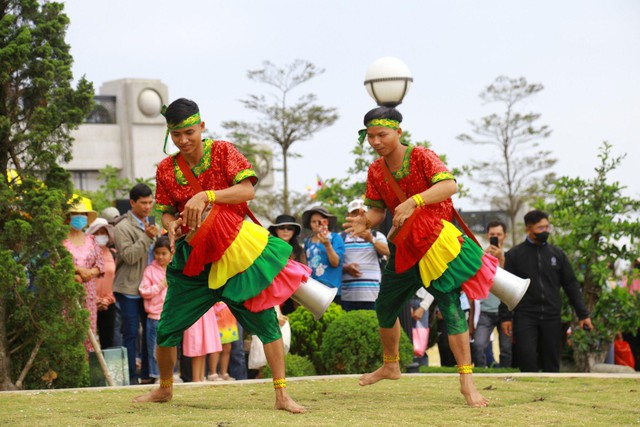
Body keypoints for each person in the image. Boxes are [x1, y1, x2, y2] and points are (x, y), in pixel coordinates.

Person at [133, 98, 308, 413]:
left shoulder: (224, 151)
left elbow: (247, 191)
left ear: (201, 126)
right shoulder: (166, 169)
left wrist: (207, 195)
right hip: (192, 262)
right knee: (168, 328)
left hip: (236, 257)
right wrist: (173, 227)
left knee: (266, 324)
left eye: (189, 132)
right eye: (176, 135)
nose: (184, 140)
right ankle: (164, 389)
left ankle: (282, 395)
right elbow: (166, 214)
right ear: (169, 134)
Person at [343, 106, 498, 407]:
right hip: (403, 249)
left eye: (382, 135)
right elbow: (377, 209)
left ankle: (467, 384)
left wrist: (415, 201)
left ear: (398, 132)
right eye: (371, 136)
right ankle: (391, 364)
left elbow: (449, 185)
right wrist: (367, 221)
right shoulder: (376, 170)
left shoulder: (422, 156)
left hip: (436, 247)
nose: (376, 141)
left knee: (451, 310)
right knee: (385, 307)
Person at [500, 209, 593, 372]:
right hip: (525, 315)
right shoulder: (515, 255)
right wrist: (505, 317)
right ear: (528, 229)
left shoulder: (557, 254)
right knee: (527, 359)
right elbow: (506, 288)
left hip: (551, 315)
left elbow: (571, 285)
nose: (545, 231)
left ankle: (552, 393)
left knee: (551, 361)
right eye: (540, 228)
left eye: (547, 227)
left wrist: (583, 315)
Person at [113, 183, 159, 385]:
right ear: (132, 203)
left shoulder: (152, 223)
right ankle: (131, 377)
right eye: (143, 203)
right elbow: (130, 256)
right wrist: (147, 237)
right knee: (131, 333)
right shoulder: (121, 227)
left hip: (150, 289)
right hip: (129, 289)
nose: (148, 206)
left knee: (150, 332)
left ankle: (148, 375)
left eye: (150, 202)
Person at [62, 202, 104, 354]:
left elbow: (100, 264)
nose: (80, 218)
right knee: (67, 333)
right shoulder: (61, 241)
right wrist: (77, 271)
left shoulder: (91, 240)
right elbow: (57, 263)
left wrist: (90, 273)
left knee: (89, 334)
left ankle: (87, 372)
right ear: (68, 218)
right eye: (75, 214)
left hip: (89, 295)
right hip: (67, 295)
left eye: (83, 214)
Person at [471, 220, 512, 368]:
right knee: (478, 345)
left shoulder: (510, 256)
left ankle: (506, 376)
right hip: (485, 310)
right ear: (487, 235)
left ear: (505, 236)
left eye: (499, 234)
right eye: (492, 234)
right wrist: (484, 257)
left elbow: (511, 281)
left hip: (505, 311)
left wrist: (501, 258)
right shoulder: (481, 256)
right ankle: (481, 374)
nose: (495, 237)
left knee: (506, 349)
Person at [341, 199, 389, 311]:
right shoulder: (341, 237)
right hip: (348, 295)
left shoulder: (377, 235)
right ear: (348, 215)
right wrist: (346, 268)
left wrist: (370, 239)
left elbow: (388, 251)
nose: (358, 217)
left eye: (362, 213)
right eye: (354, 213)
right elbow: (335, 263)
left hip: (373, 295)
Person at [139, 235, 172, 382]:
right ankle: (157, 375)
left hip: (171, 315)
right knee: (155, 349)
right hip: (154, 317)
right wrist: (160, 286)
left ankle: (171, 374)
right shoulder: (149, 270)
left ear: (171, 253)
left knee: (171, 347)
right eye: (157, 253)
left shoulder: (174, 269)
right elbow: (144, 291)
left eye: (164, 253)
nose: (160, 257)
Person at [86, 218, 117, 350]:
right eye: (97, 232)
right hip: (89, 302)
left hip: (108, 303)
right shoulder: (87, 254)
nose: (100, 235)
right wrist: (94, 299)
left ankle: (105, 370)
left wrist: (107, 299)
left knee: (108, 341)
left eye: (103, 232)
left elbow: (116, 280)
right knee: (88, 340)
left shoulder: (114, 254)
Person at [302, 206, 345, 301]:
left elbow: (335, 263)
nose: (317, 224)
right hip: (313, 290)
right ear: (310, 224)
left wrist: (327, 245)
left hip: (332, 290)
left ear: (327, 222)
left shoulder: (335, 238)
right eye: (313, 221)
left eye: (320, 221)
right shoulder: (307, 241)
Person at [268, 214, 307, 315]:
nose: (285, 231)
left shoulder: (299, 251)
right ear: (276, 230)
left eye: (289, 228)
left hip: (296, 298)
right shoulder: (268, 249)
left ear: (294, 231)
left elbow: (305, 275)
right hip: (273, 297)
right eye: (282, 227)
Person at [208, 302, 239, 381]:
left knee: (227, 347)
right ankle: (213, 373)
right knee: (216, 347)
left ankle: (223, 373)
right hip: (216, 314)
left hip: (228, 316)